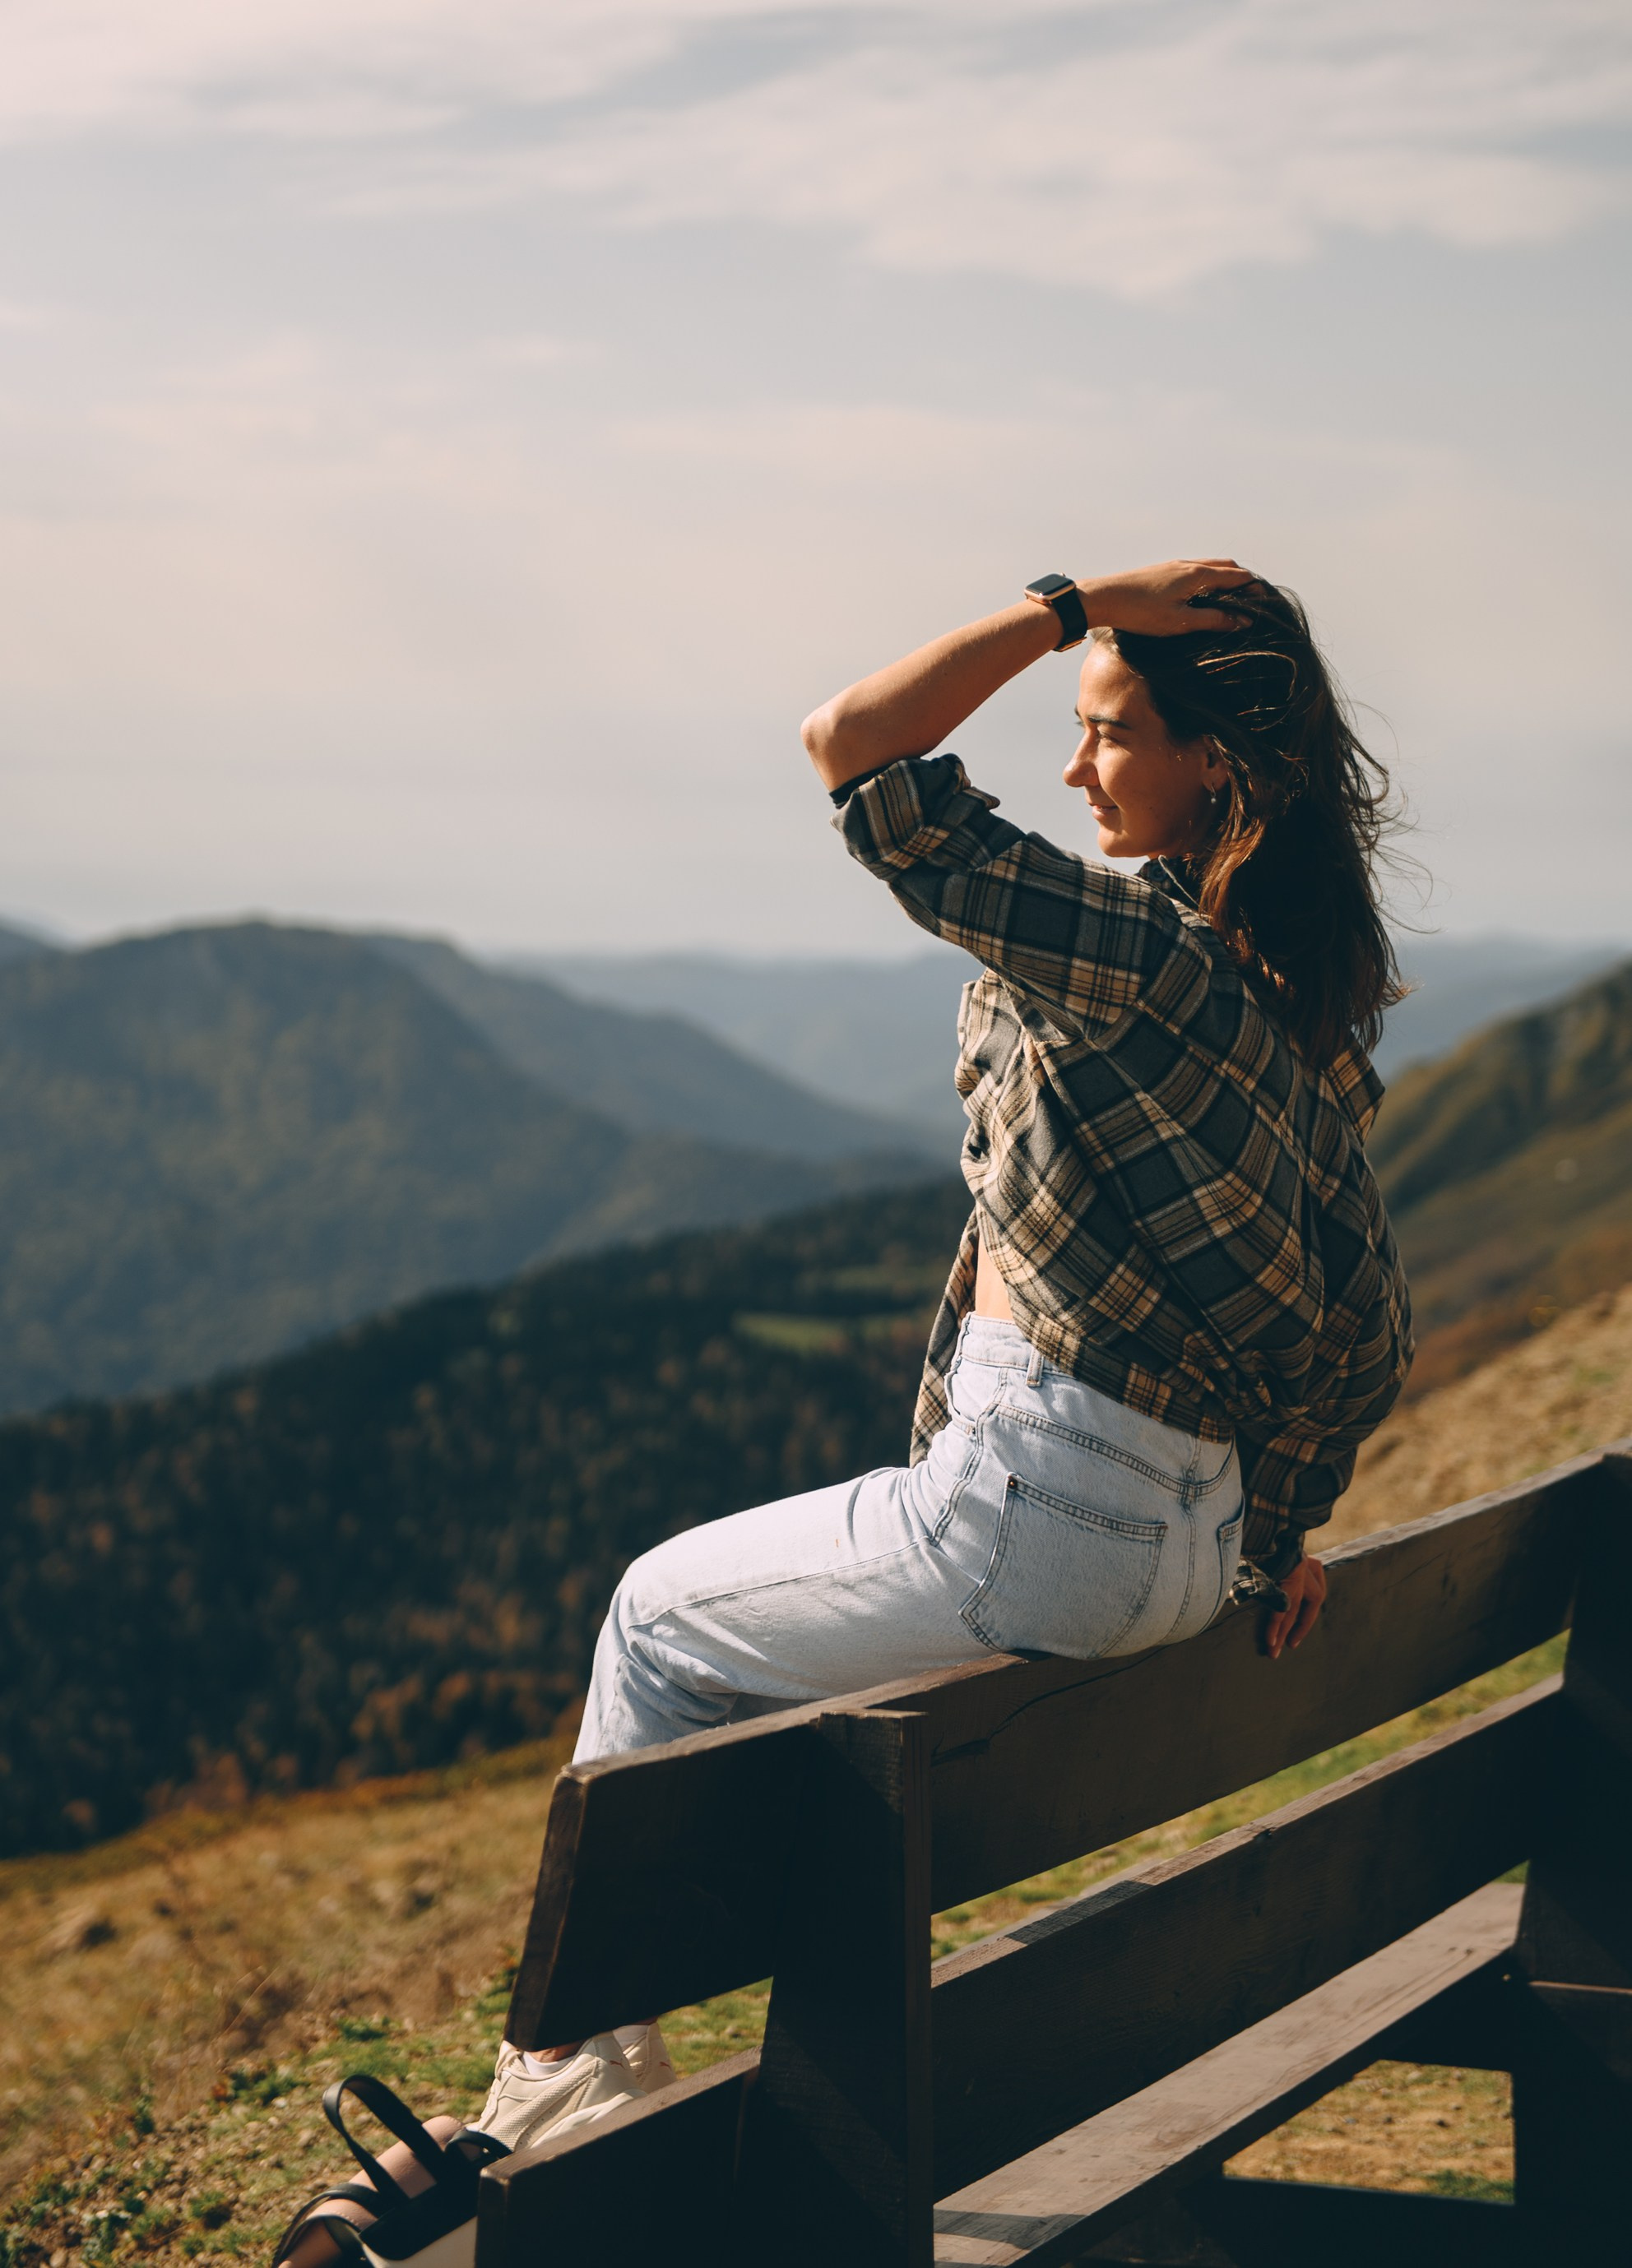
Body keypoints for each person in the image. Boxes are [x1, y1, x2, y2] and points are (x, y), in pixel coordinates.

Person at [277, 558, 1412, 2256]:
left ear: (1212, 767)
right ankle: (608, 2080)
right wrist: (1281, 1527)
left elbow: (857, 754)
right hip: (1185, 1550)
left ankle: (566, 2108)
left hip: (1040, 1511)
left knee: (652, 1619)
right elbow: (1367, 1324)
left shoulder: (1133, 955)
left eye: (1106, 735)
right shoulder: (1290, 999)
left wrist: (1070, 595)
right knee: (772, 1674)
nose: (1074, 769)